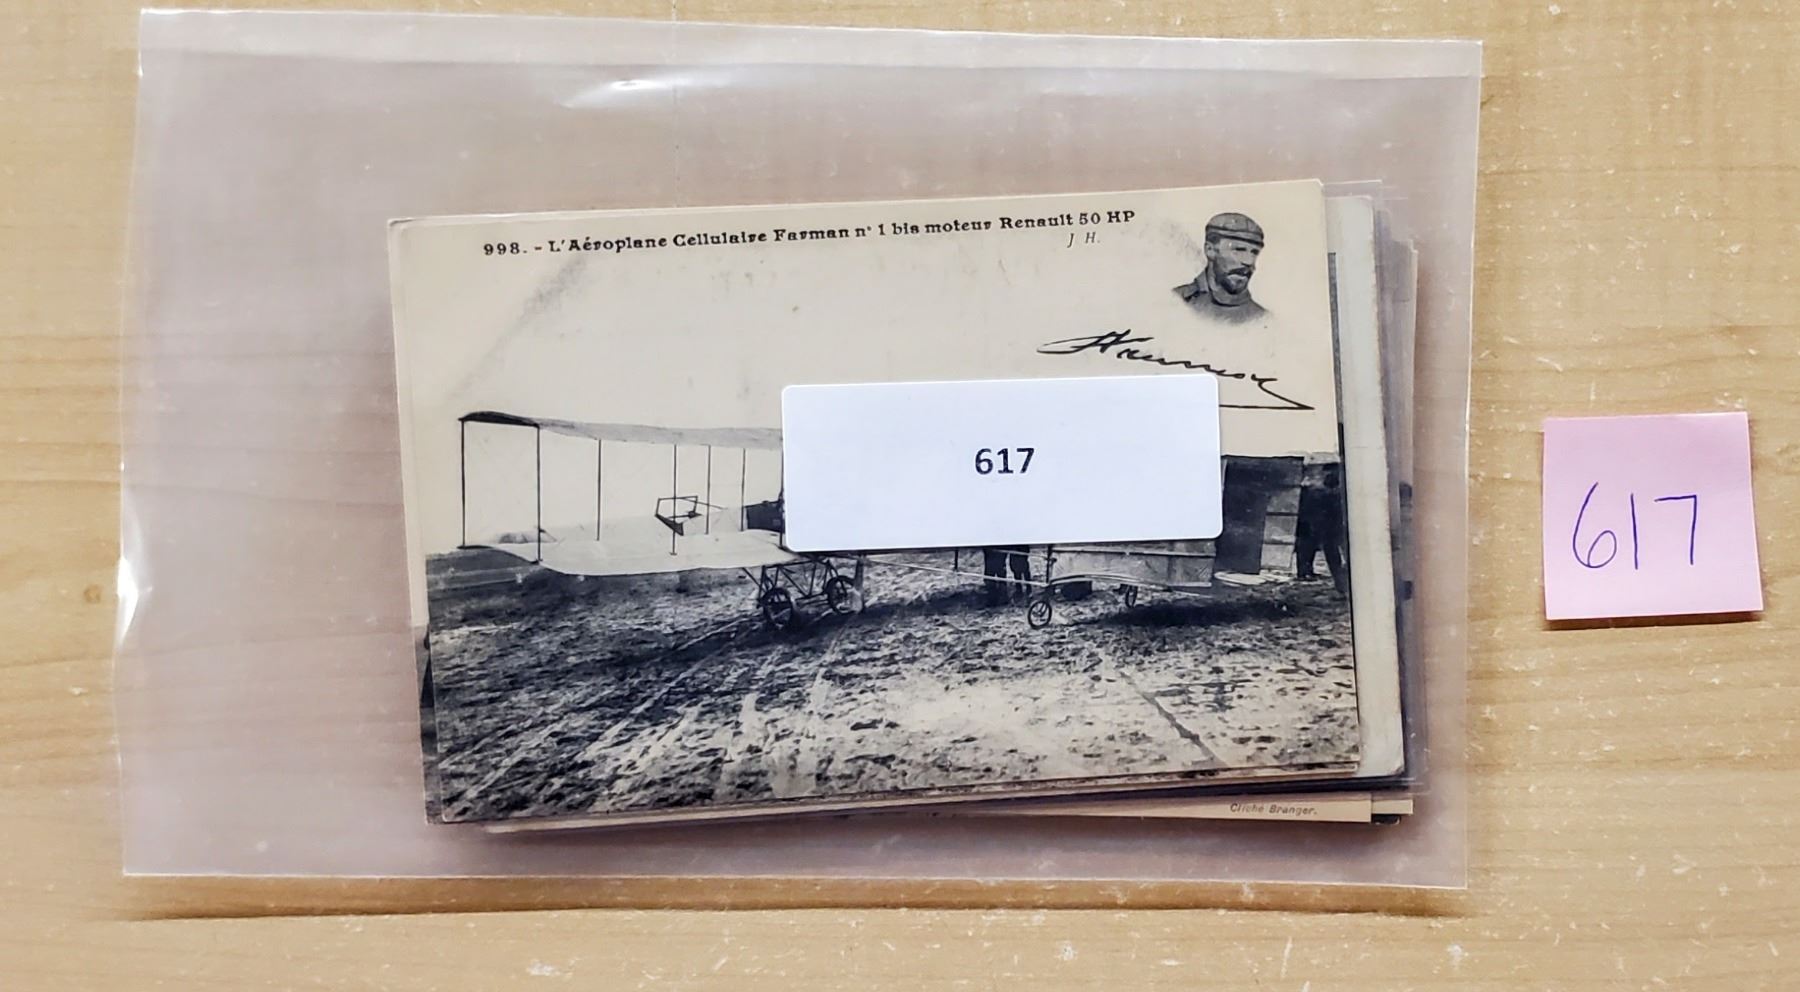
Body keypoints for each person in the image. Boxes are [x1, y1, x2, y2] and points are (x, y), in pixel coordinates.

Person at [1172, 212, 1268, 324]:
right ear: (1210, 250)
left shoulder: (1262, 319)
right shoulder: (1174, 302)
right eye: (1238, 250)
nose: (1249, 261)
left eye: (1254, 252)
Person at [1294, 463, 1349, 595]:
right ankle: (1340, 584)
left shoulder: (1320, 493)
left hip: (1325, 527)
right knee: (1330, 554)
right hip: (1323, 528)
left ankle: (1340, 583)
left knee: (1332, 554)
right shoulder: (1325, 494)